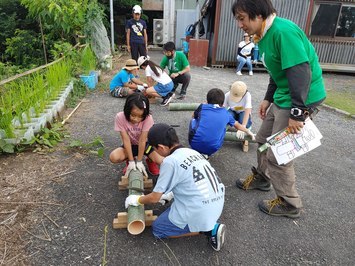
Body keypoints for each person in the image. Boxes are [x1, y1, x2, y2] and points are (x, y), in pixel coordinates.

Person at [232, 0, 326, 218]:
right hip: (284, 96)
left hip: (301, 98)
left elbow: (300, 72)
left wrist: (298, 112)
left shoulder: (283, 32)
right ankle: (262, 179)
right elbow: (277, 71)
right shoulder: (263, 36)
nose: (239, 25)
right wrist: (267, 98)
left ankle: (290, 204)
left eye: (242, 18)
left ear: (258, 15)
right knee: (263, 139)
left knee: (279, 154)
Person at [125, 123, 226, 251]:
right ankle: (206, 223)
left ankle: (208, 230)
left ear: (161, 147)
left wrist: (137, 200)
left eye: (155, 150)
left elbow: (155, 198)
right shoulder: (192, 151)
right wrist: (170, 194)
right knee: (172, 209)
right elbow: (189, 180)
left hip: (200, 209)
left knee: (158, 229)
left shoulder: (170, 161)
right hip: (216, 203)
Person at [189, 88, 255, 157]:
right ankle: (207, 154)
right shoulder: (226, 113)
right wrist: (247, 131)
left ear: (207, 100)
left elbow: (193, 116)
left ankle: (198, 147)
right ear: (222, 102)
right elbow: (237, 125)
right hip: (213, 148)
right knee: (223, 125)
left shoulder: (202, 106)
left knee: (194, 120)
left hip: (194, 144)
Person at [109, 93, 161, 176]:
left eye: (140, 116)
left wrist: (140, 161)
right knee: (114, 157)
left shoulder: (148, 118)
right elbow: (126, 140)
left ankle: (150, 161)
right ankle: (130, 159)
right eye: (133, 115)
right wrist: (131, 161)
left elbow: (142, 140)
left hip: (146, 145)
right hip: (131, 145)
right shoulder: (120, 117)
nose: (136, 119)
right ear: (127, 110)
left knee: (160, 160)